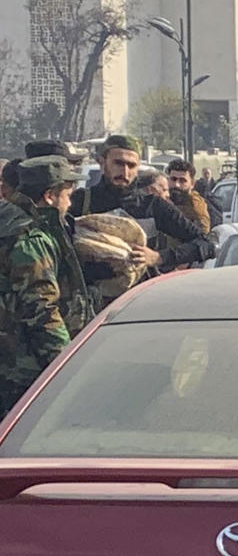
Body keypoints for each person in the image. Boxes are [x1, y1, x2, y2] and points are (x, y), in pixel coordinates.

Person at [68, 136, 208, 293]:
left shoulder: (152, 206)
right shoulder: (80, 202)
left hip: (139, 301)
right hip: (93, 301)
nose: (125, 171)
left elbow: (206, 243)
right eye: (119, 163)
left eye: (131, 165)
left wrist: (159, 257)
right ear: (102, 162)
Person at [0, 155, 83, 410]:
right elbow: (41, 310)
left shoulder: (8, 217)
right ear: (49, 196)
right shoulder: (30, 237)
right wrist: (66, 369)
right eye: (67, 194)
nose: (70, 203)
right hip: (22, 368)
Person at [167, 158, 219, 230]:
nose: (176, 184)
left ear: (192, 184)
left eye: (182, 181)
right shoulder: (161, 201)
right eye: (173, 179)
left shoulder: (198, 207)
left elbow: (202, 233)